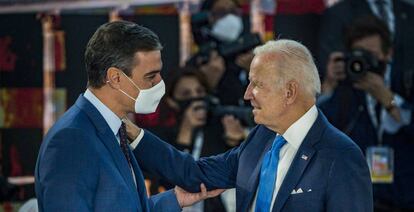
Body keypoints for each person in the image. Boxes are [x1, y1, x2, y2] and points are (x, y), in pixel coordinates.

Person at [125, 39, 373, 211]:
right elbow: (195, 173)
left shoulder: (341, 156)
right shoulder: (260, 139)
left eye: (256, 84)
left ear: (289, 92)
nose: (246, 95)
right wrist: (135, 135)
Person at [34, 21, 223, 212]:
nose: (159, 83)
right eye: (150, 76)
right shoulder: (72, 139)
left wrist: (174, 199)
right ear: (116, 78)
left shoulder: (116, 129)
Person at [318, 15, 414, 211]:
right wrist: (328, 85)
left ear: (388, 54)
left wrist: (388, 99)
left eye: (370, 54)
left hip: (404, 200)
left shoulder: (404, 83)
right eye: (358, 54)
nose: (365, 62)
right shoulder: (345, 93)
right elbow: (314, 131)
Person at [318, 0, 414, 103]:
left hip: (406, 97)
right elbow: (331, 64)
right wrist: (329, 86)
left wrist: (390, 100)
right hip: (352, 99)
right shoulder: (338, 13)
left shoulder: (410, 12)